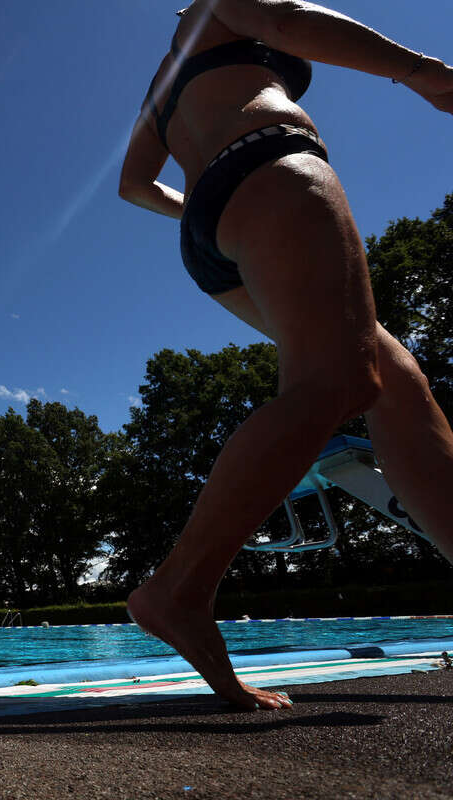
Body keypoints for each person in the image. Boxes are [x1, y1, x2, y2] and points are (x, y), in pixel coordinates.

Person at [118, 0, 453, 710]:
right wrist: (419, 72)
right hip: (272, 169)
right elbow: (288, 20)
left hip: (219, 224)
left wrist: (215, 201)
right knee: (337, 379)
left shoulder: (166, 77)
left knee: (393, 380)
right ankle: (178, 589)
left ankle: (179, 591)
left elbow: (133, 183)